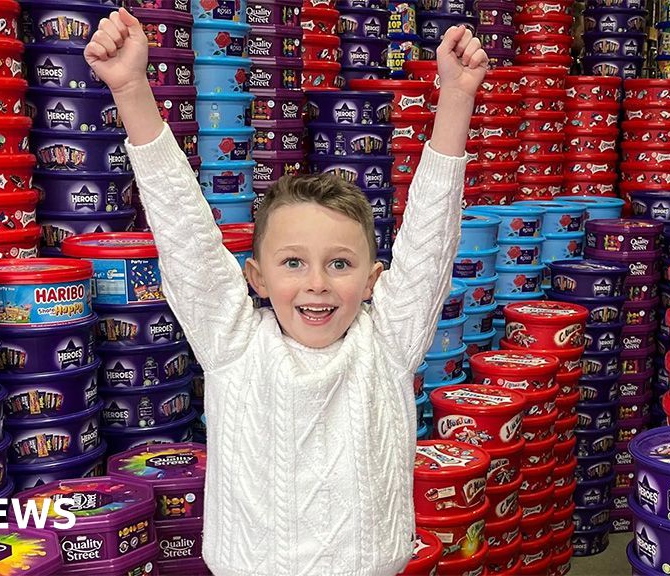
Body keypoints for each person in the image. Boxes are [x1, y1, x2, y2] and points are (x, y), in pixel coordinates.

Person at [85, 13, 486, 575]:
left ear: (374, 281)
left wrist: (455, 101)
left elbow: (428, 240)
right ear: (256, 278)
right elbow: (185, 232)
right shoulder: (232, 344)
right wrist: (130, 90)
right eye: (293, 262)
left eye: (340, 264)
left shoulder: (388, 343)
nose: (317, 283)